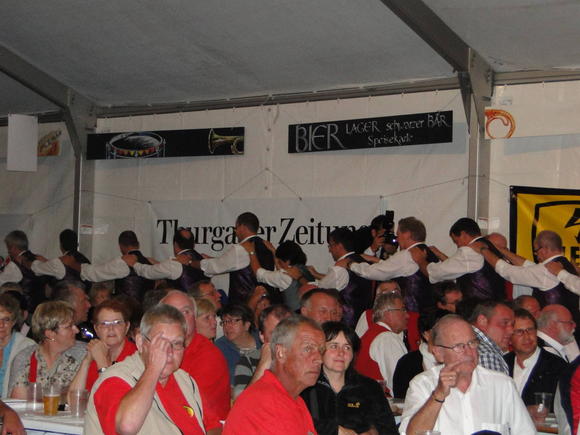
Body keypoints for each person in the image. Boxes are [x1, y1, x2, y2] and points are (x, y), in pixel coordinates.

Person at [399, 314, 535, 435]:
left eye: (472, 343)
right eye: (459, 346)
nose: (469, 352)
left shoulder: (502, 385)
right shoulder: (423, 384)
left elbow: (526, 432)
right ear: (439, 353)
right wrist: (438, 395)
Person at [84, 304, 205, 434]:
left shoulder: (185, 381)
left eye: (177, 344)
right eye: (160, 344)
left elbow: (210, 425)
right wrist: (154, 368)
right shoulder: (115, 379)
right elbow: (126, 427)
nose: (168, 352)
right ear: (140, 343)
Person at [223, 315, 324, 434]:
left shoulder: (295, 400)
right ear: (280, 353)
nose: (319, 359)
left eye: (321, 351)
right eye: (308, 349)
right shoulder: (263, 403)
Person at [350, 217, 439, 348]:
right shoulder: (430, 254)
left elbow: (374, 272)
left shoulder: (406, 255)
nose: (396, 239)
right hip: (430, 316)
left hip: (410, 318)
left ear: (407, 234)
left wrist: (352, 265)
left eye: (398, 234)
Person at [473, 230, 580, 335]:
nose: (536, 255)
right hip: (570, 326)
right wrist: (499, 249)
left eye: (536, 251)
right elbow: (529, 266)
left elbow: (508, 272)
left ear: (544, 249)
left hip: (554, 330)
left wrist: (484, 250)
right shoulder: (566, 265)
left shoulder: (546, 270)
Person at [301, 322, 398, 435]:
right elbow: (296, 421)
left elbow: (389, 429)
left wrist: (374, 432)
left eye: (347, 347)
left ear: (353, 354)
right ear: (320, 350)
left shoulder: (369, 387)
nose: (341, 353)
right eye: (334, 346)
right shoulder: (306, 386)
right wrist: (335, 430)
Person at [160, 290, 230, 432]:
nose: (179, 318)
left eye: (185, 312)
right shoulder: (157, 349)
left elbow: (189, 409)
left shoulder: (208, 356)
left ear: (194, 318)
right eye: (172, 312)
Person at [9, 301, 86, 399]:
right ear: (50, 334)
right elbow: (18, 402)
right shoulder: (25, 358)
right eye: (69, 327)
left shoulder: (84, 354)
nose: (77, 330)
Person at [421, 218, 506, 301]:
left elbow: (436, 273)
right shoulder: (490, 245)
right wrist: (440, 254)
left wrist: (420, 260)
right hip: (498, 303)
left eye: (456, 241)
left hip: (481, 306)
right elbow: (460, 268)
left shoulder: (469, 251)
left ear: (463, 234)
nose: (458, 246)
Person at [200, 212, 276, 304]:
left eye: (236, 227)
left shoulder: (241, 248)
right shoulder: (268, 247)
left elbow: (215, 267)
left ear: (242, 227)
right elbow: (239, 262)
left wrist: (194, 262)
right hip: (267, 304)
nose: (235, 231)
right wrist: (215, 259)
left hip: (244, 306)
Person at [68, 299, 137, 393]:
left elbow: (111, 396)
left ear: (127, 326)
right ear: (96, 329)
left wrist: (101, 362)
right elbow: (73, 397)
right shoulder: (96, 352)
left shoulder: (136, 358)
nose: (111, 328)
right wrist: (86, 361)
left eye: (117, 323)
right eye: (104, 324)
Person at [504, 308, 567, 411]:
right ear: (509, 338)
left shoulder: (556, 366)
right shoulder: (503, 363)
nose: (527, 337)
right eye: (519, 332)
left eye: (530, 330)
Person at [310, 227, 373, 327]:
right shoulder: (364, 263)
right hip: (366, 322)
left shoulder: (340, 268)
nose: (329, 250)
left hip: (347, 324)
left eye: (330, 246)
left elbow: (321, 290)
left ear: (339, 246)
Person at [233, 304, 292, 399]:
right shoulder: (248, 361)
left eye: (288, 333)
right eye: (275, 333)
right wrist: (263, 365)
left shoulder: (305, 358)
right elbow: (240, 402)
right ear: (262, 336)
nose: (282, 339)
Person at [355, 291, 408, 395]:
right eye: (403, 310)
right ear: (388, 313)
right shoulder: (387, 338)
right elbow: (400, 383)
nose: (407, 315)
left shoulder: (371, 334)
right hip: (380, 402)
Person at [81, 230, 156, 303]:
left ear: (121, 246)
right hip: (147, 308)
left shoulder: (122, 262)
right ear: (138, 244)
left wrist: (78, 266)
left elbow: (94, 273)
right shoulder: (151, 262)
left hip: (126, 308)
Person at [242, 239, 314, 312]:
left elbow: (260, 274)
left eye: (280, 261)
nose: (278, 263)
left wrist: (251, 252)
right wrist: (274, 251)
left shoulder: (285, 275)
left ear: (287, 261)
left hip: (294, 316)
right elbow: (281, 271)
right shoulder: (307, 270)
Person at [393, 309, 447, 399]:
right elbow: (402, 399)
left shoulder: (459, 358)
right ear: (426, 334)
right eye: (442, 330)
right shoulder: (408, 363)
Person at [215, 304, 261, 383]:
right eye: (224, 322)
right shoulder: (220, 348)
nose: (227, 326)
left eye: (232, 321)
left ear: (247, 325)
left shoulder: (263, 339)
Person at [2, 230, 47, 312]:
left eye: (8, 247)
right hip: (43, 308)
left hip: (27, 311)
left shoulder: (14, 265)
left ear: (13, 247)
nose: (8, 251)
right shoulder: (40, 259)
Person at [0, 294, 34, 397]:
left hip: (15, 404)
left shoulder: (27, 347)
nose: (1, 325)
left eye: (6, 320)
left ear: (14, 322)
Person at [468, 300, 514, 374]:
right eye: (505, 323)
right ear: (482, 321)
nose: (511, 331)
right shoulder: (487, 354)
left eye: (512, 325)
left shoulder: (463, 341)